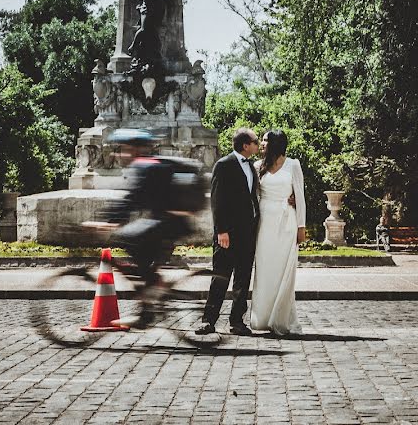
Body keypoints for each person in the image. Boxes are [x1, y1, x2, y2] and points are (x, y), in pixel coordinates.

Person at [99, 128, 197, 327]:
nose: (119, 154)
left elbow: (132, 200)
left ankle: (149, 303)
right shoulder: (151, 165)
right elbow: (134, 200)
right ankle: (150, 297)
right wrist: (111, 219)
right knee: (137, 246)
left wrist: (107, 221)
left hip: (169, 225)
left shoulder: (146, 167)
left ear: (135, 150)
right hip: (169, 224)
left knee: (126, 238)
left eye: (123, 149)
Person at [196, 128, 261, 336]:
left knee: (243, 278)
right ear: (245, 145)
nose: (258, 145)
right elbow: (217, 200)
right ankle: (208, 320)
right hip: (228, 234)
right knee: (220, 277)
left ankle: (236, 321)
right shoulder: (224, 165)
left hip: (247, 232)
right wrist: (221, 230)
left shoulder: (251, 166)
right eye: (255, 142)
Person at [250, 129, 305, 336]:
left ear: (275, 143)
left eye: (265, 140)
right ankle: (262, 317)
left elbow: (300, 196)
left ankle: (281, 318)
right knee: (265, 269)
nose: (261, 143)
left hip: (287, 221)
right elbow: (253, 197)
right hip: (264, 223)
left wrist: (301, 226)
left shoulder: (293, 165)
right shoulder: (257, 167)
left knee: (284, 270)